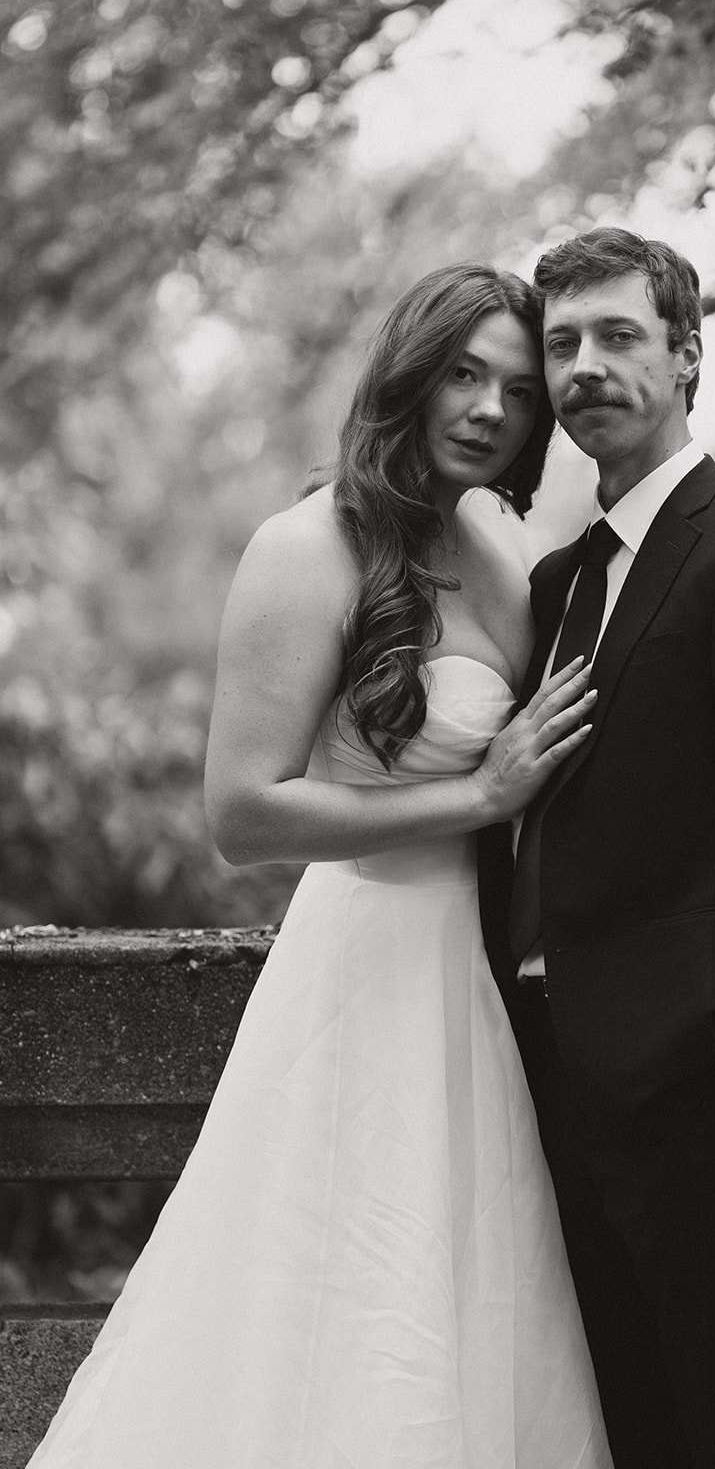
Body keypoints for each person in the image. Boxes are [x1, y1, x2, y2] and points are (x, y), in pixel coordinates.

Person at [27, 263, 614, 1469]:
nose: (490, 409)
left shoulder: (496, 551)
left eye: (515, 388)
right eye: (462, 372)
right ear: (407, 371)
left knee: (477, 1293)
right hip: (363, 969)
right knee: (348, 1297)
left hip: (482, 979)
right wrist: (478, 792)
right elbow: (243, 811)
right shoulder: (305, 547)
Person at [479, 227, 715, 1469]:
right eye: (561, 345)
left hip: (697, 1101)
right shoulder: (557, 586)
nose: (583, 367)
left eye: (617, 336)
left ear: (687, 355)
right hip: (554, 1078)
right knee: (629, 1425)